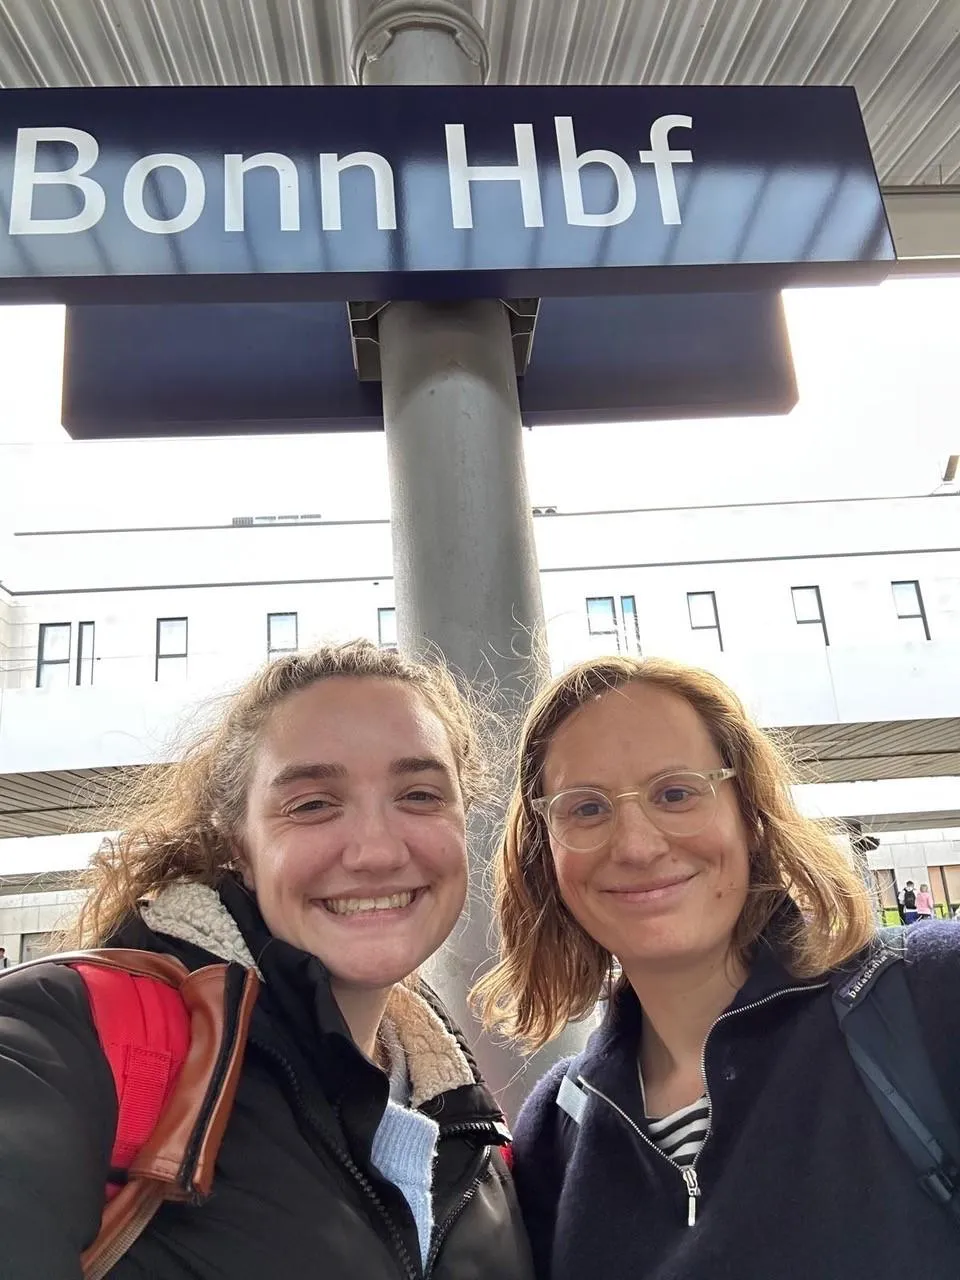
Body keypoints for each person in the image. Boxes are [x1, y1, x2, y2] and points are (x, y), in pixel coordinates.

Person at [0, 640, 533, 1280]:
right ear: (240, 849)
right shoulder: (58, 1038)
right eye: (312, 804)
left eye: (419, 795)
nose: (376, 851)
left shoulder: (470, 1128)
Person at [474, 654, 960, 1280]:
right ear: (547, 853)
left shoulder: (932, 994)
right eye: (587, 808)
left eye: (676, 794)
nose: (637, 845)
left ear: (750, 814)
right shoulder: (556, 1126)